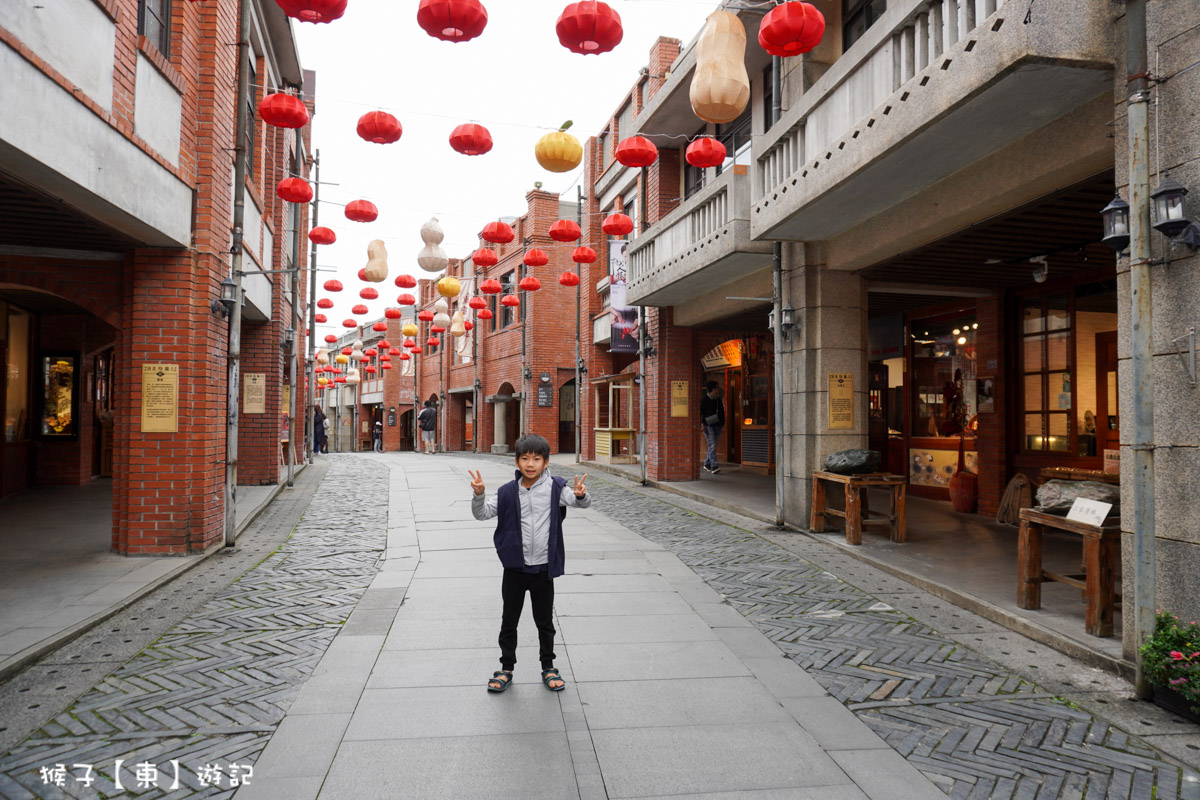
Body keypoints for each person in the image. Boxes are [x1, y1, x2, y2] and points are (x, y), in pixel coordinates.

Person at [468, 434, 590, 694]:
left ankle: (549, 667)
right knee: (509, 620)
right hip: (514, 568)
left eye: (537, 459)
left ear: (546, 462)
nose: (531, 464)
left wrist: (581, 495)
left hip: (543, 568)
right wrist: (479, 495)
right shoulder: (506, 492)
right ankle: (506, 668)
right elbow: (481, 514)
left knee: (544, 621)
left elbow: (580, 502)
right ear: (516, 461)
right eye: (525, 458)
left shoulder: (556, 488)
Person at [700, 380, 725, 474]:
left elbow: (721, 412)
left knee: (713, 446)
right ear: (712, 389)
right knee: (712, 444)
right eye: (717, 388)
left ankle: (707, 463)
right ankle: (714, 466)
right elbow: (700, 412)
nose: (718, 390)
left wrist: (722, 423)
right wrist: (702, 424)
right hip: (708, 425)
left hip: (718, 425)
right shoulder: (704, 399)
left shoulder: (718, 400)